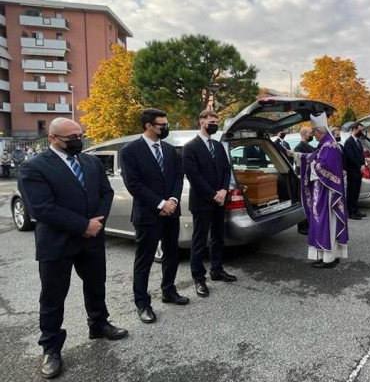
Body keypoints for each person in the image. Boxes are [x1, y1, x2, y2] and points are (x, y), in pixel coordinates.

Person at [18, 118, 127, 379]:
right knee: (53, 297)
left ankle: (99, 324)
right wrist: (81, 225)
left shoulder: (89, 162)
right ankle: (51, 347)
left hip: (92, 239)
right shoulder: (33, 167)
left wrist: (96, 223)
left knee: (96, 285)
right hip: (57, 243)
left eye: (80, 134)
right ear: (53, 138)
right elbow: (41, 208)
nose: (78, 140)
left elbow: (106, 193)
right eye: (72, 137)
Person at [120, 108, 187, 325]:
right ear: (149, 126)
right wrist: (160, 204)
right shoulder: (130, 151)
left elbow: (178, 176)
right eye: (162, 125)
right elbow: (134, 184)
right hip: (148, 214)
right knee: (145, 260)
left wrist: (173, 201)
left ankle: (169, 291)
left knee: (172, 254)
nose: (166, 128)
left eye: (166, 124)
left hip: (171, 211)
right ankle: (143, 304)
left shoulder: (168, 150)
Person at [183, 110, 236, 299]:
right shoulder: (190, 147)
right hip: (202, 202)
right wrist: (213, 194)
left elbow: (225, 169)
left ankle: (217, 270)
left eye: (216, 122)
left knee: (218, 238)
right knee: (199, 241)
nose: (214, 124)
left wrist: (223, 190)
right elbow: (194, 176)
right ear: (201, 121)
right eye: (211, 121)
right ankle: (199, 278)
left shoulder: (218, 146)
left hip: (219, 200)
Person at [292, 113, 348, 268]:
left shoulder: (328, 145)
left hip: (326, 191)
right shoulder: (326, 144)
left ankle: (328, 258)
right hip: (326, 189)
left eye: (313, 133)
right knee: (329, 221)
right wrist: (297, 155)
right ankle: (332, 255)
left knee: (326, 222)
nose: (313, 136)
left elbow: (322, 166)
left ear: (319, 131)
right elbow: (313, 157)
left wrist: (310, 165)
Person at [293, 126, 315, 234]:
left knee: (309, 202)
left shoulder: (309, 146)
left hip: (309, 177)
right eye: (310, 133)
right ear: (304, 134)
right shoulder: (298, 147)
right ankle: (302, 227)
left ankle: (309, 224)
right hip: (302, 178)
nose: (311, 135)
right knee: (303, 202)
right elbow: (299, 163)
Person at [342, 121, 366, 220]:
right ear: (353, 129)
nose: (361, 131)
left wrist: (363, 164)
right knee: (351, 192)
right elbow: (351, 157)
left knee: (356, 191)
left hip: (359, 170)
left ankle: (356, 209)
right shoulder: (349, 142)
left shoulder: (358, 141)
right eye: (359, 129)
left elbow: (361, 155)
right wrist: (359, 166)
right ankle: (350, 212)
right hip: (352, 170)